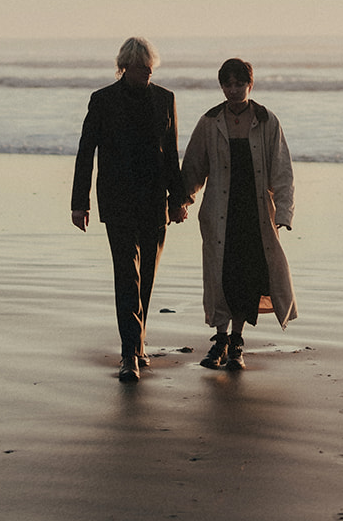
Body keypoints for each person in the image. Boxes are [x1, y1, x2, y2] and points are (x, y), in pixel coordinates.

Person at [71, 36, 187, 382]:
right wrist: (80, 204)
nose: (147, 75)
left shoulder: (165, 99)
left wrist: (178, 199)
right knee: (127, 275)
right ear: (125, 67)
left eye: (151, 69)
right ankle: (128, 354)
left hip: (154, 200)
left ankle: (138, 343)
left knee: (147, 275)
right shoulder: (103, 100)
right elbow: (84, 153)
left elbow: (172, 154)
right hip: (118, 200)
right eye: (141, 69)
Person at [181, 57, 296, 370]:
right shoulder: (209, 121)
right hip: (219, 212)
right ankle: (219, 339)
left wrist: (284, 211)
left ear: (250, 84)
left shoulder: (267, 120)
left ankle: (237, 342)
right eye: (228, 84)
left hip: (254, 212)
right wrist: (182, 200)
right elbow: (193, 166)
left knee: (246, 275)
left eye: (239, 83)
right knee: (220, 275)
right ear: (221, 86)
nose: (233, 90)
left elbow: (282, 169)